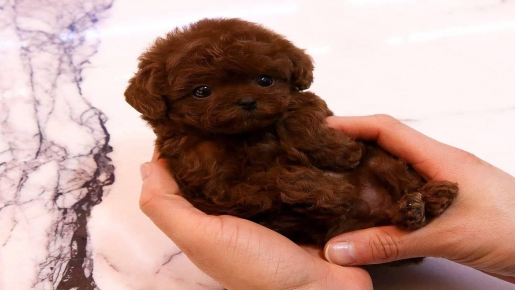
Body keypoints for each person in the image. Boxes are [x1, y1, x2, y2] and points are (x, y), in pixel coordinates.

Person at [139, 115, 515, 289]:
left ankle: (412, 206)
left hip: (362, 191)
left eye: (266, 80)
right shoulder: (190, 148)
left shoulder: (295, 113)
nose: (246, 100)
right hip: (315, 223)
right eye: (202, 93)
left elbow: (343, 151)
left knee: (380, 161)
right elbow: (228, 197)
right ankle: (408, 212)